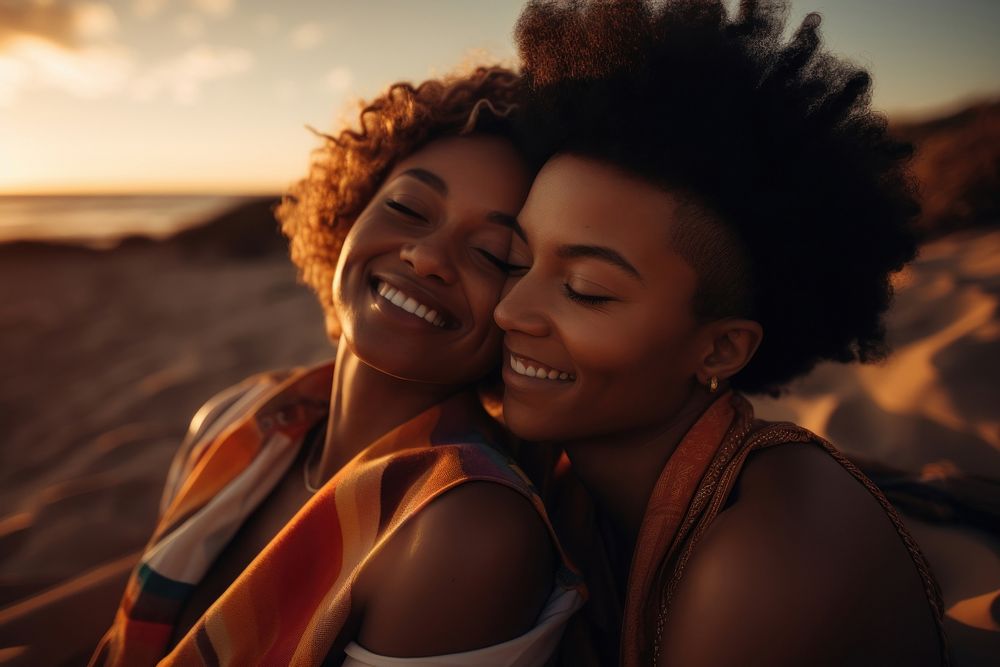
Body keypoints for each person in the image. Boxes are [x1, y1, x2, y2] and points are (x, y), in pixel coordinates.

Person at [495, 1, 949, 665]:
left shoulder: (760, 563)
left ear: (721, 348)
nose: (511, 310)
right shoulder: (564, 478)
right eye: (514, 259)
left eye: (586, 290)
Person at [91, 65, 584, 666]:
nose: (427, 257)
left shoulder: (464, 529)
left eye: (492, 253)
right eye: (407, 207)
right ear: (349, 213)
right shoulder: (239, 419)